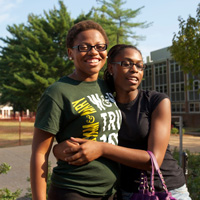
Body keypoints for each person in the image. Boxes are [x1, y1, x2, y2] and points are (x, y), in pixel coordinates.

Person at [53, 44, 191, 200]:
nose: (134, 69)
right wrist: (58, 150)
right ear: (111, 68)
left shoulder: (156, 101)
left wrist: (103, 148)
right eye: (126, 63)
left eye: (139, 65)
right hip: (125, 192)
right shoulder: (103, 106)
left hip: (166, 190)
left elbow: (154, 160)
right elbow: (87, 141)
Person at [30, 20, 122, 200]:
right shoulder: (57, 92)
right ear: (70, 53)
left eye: (99, 46)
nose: (94, 52)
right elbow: (40, 153)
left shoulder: (108, 87)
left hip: (111, 192)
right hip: (74, 191)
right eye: (84, 47)